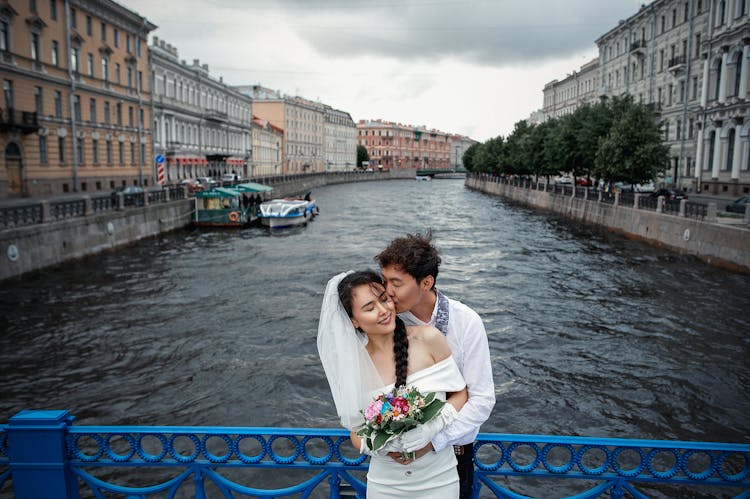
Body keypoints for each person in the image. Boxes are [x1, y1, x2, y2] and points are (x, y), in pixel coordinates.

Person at [318, 270, 469, 498]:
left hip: (439, 477)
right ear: (354, 321)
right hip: (386, 484)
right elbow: (355, 431)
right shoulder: (354, 365)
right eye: (369, 308)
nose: (383, 311)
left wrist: (432, 428)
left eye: (384, 299)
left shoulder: (429, 338)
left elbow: (460, 393)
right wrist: (383, 447)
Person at [375, 233, 495, 499]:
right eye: (384, 281)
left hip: (452, 455)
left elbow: (483, 399)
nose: (387, 291)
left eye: (396, 282)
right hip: (393, 462)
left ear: (426, 282)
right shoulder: (384, 323)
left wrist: (432, 442)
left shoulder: (466, 322)